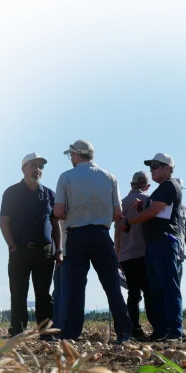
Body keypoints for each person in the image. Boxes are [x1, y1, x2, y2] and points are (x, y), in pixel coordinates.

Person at [53, 140, 133, 342]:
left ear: (76, 155)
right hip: (101, 235)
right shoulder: (109, 177)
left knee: (75, 287)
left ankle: (72, 333)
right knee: (112, 285)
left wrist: (75, 213)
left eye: (71, 155)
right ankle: (123, 331)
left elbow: (58, 212)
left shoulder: (66, 177)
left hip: (76, 236)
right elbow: (118, 213)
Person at [0, 152, 61, 337]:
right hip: (20, 251)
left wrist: (58, 249)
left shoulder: (49, 194)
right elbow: (4, 222)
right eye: (33, 165)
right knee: (18, 294)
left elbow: (55, 224)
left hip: (45, 252)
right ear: (23, 169)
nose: (37, 169)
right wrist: (12, 246)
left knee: (44, 295)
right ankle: (18, 333)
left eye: (40, 166)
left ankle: (46, 333)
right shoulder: (11, 193)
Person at [123, 153, 183, 341]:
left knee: (167, 287)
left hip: (163, 241)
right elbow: (154, 213)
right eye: (151, 166)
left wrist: (130, 220)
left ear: (168, 168)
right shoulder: (162, 188)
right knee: (156, 288)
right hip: (155, 242)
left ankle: (174, 330)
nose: (152, 170)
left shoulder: (168, 186)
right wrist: (142, 209)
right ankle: (162, 329)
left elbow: (153, 212)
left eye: (156, 166)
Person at [115, 170, 154, 340]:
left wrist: (117, 256)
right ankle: (157, 327)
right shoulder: (150, 201)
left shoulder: (121, 203)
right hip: (144, 254)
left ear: (132, 184)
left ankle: (134, 329)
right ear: (147, 186)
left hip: (126, 255)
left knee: (133, 294)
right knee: (150, 292)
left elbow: (117, 233)